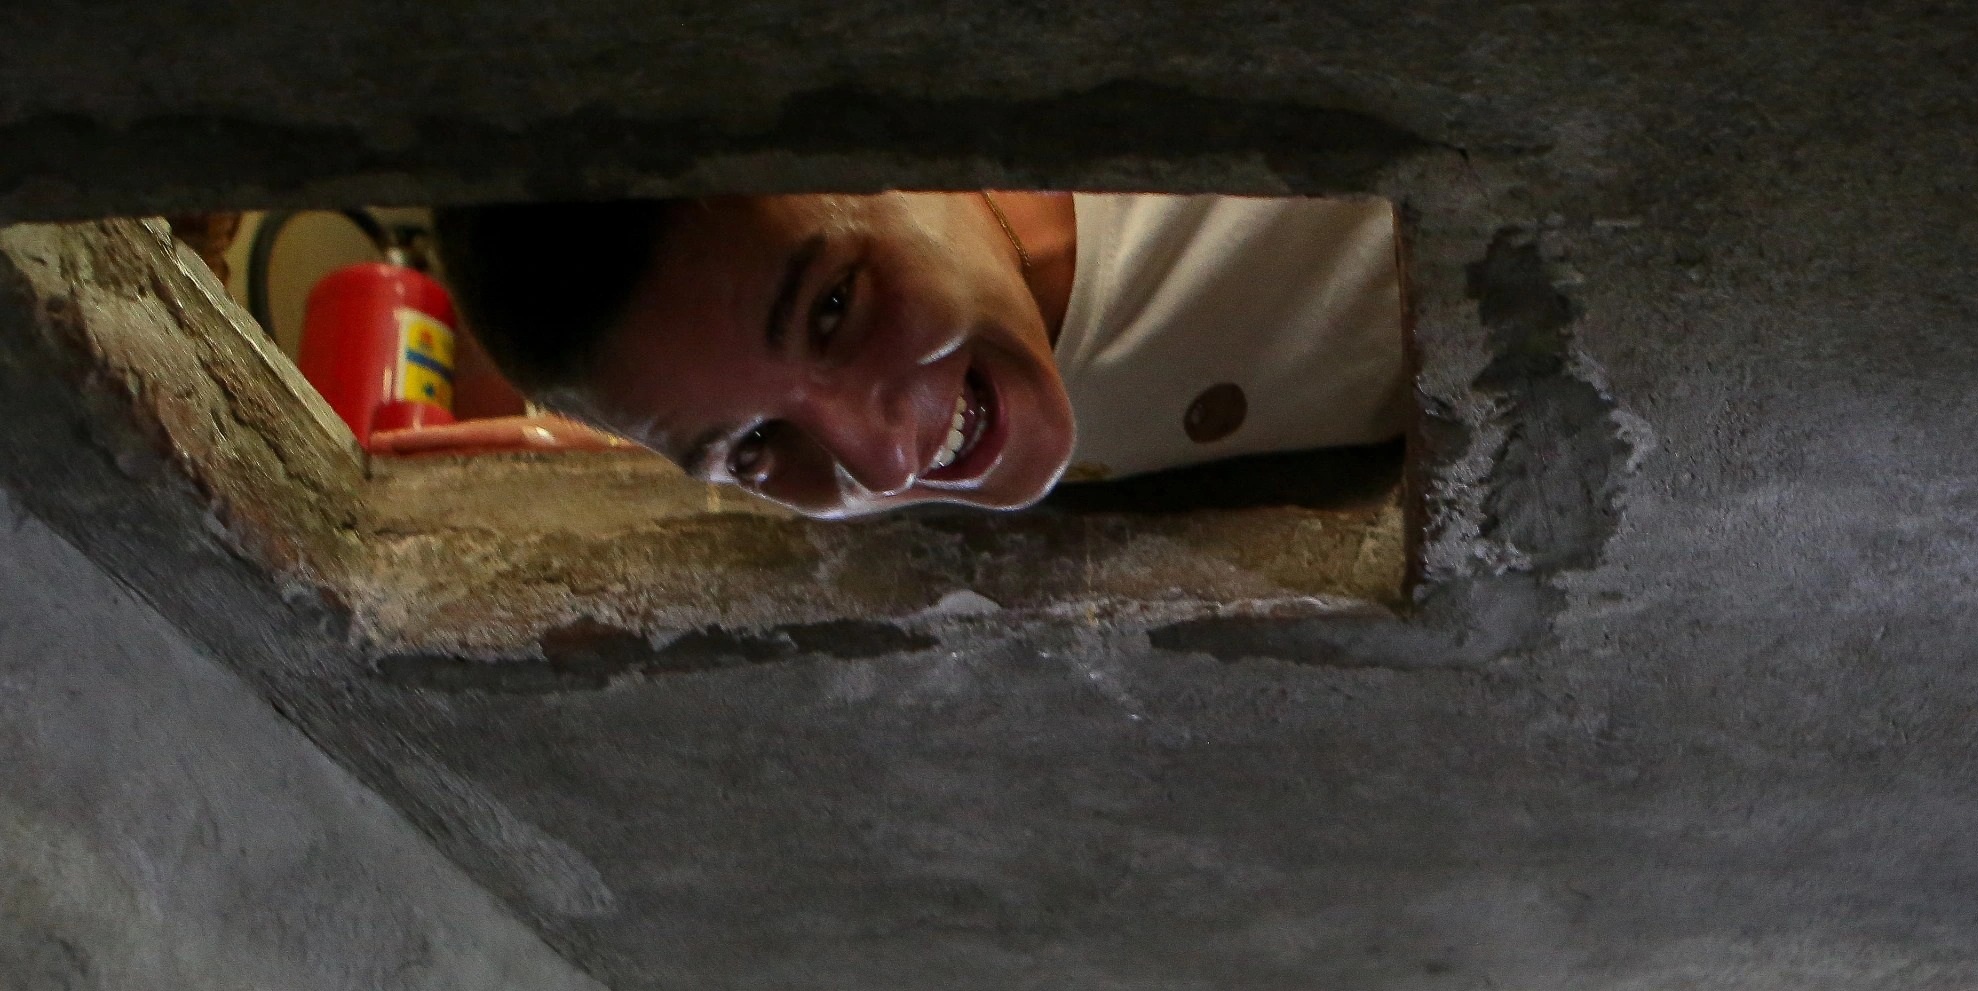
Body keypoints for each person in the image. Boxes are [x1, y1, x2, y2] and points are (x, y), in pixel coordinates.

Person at [432, 190, 1406, 519]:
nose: (884, 463)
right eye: (754, 447)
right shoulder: (832, 456)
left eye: (834, 310)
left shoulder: (1286, 191)